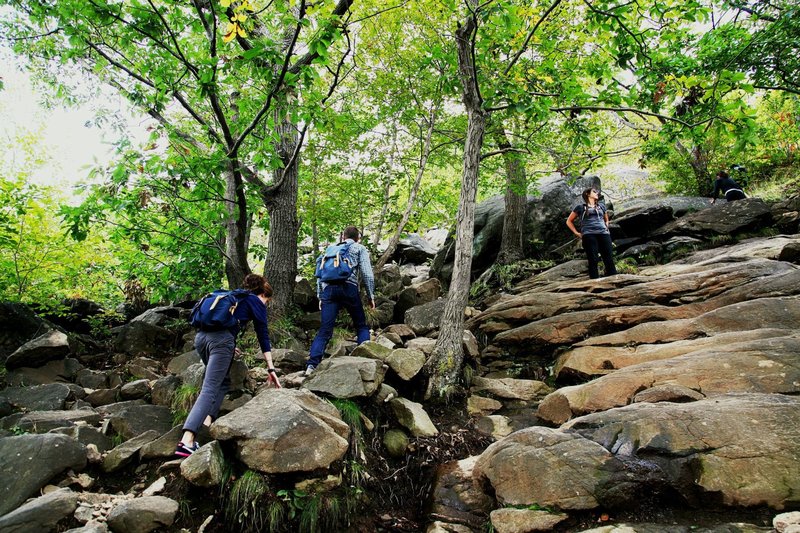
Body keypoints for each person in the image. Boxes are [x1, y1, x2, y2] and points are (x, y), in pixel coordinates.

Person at [176, 273, 280, 457]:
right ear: (263, 295)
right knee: (210, 388)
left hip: (201, 338)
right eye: (267, 301)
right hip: (221, 343)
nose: (266, 304)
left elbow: (223, 323)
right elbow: (262, 334)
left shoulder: (232, 296)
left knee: (222, 382)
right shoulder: (255, 301)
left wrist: (231, 345)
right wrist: (271, 368)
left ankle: (207, 423)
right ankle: (187, 440)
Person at [305, 226, 376, 376]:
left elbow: (320, 274)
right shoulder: (359, 248)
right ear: (358, 237)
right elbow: (367, 274)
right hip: (349, 288)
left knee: (324, 330)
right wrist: (371, 297)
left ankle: (311, 366)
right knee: (361, 326)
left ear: (343, 237)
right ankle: (364, 363)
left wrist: (320, 296)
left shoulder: (330, 250)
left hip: (329, 290)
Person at [566, 188, 618, 279]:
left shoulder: (601, 206)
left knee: (608, 258)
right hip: (589, 235)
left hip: (603, 234)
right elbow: (569, 221)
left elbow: (606, 218)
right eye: (594, 191)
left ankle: (615, 280)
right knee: (593, 259)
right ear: (587, 194)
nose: (596, 193)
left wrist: (606, 226)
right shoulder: (580, 207)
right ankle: (595, 283)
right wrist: (576, 233)